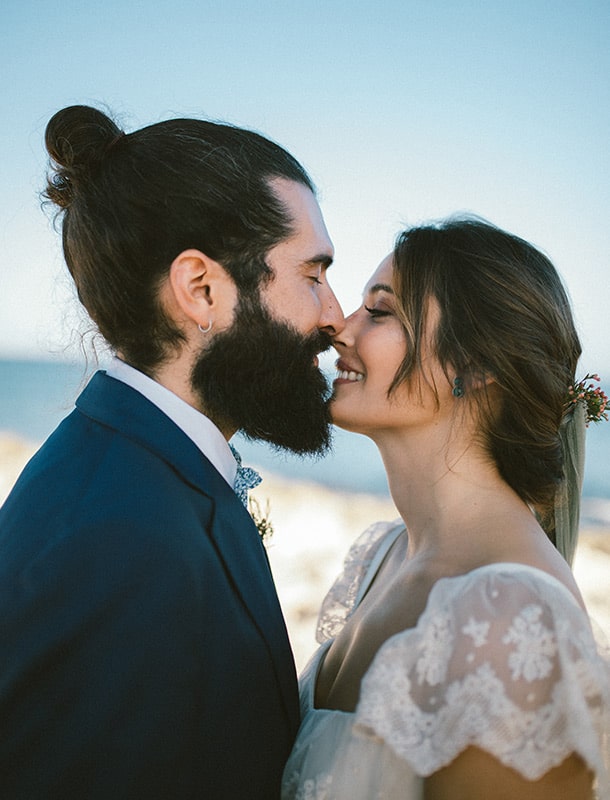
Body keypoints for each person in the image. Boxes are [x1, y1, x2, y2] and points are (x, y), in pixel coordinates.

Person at [0, 104, 344, 799]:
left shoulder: (146, 475)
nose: (335, 317)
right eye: (312, 275)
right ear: (202, 289)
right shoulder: (117, 541)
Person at [282, 218, 610, 799]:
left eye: (379, 312)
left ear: (476, 365)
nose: (338, 327)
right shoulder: (379, 559)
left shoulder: (509, 619)